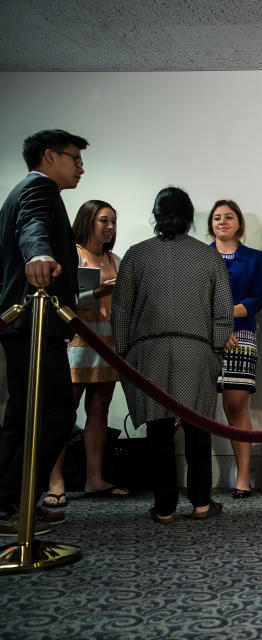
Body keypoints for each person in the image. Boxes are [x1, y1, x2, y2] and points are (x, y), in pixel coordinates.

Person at [111, 187, 233, 523]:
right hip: (196, 350)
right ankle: (201, 503)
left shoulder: (136, 255)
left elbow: (120, 311)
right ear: (191, 218)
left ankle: (164, 508)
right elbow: (223, 312)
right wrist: (216, 353)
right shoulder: (208, 256)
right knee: (198, 429)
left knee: (158, 431)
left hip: (148, 352)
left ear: (156, 215)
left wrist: (124, 356)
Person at [0, 129, 87, 536]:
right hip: (34, 321)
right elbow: (31, 226)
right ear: (50, 156)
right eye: (75, 158)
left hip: (23, 323)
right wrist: (39, 252)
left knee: (21, 418)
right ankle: (13, 505)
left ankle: (9, 505)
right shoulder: (39, 189)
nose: (81, 168)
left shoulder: (25, 189)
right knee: (57, 415)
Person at [45, 200, 130, 508]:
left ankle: (94, 479)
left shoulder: (115, 259)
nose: (109, 227)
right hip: (77, 342)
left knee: (99, 411)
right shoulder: (72, 254)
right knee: (64, 414)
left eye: (113, 222)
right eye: (103, 221)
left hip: (107, 342)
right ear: (87, 222)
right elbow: (64, 302)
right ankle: (55, 481)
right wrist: (99, 291)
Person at [208, 200, 262, 498]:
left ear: (239, 223)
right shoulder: (200, 256)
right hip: (203, 336)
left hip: (241, 335)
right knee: (198, 407)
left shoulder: (254, 258)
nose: (222, 222)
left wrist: (227, 321)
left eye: (228, 217)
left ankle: (242, 477)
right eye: (217, 217)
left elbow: (258, 298)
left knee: (236, 406)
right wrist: (218, 327)